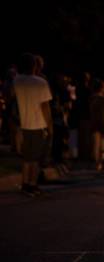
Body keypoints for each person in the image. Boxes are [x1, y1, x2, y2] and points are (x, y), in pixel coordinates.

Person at [13, 53, 53, 196]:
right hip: (38, 124)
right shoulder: (41, 82)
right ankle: (32, 184)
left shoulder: (17, 81)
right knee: (35, 159)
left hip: (24, 123)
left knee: (26, 158)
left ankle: (25, 184)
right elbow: (45, 107)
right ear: (34, 65)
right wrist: (50, 126)